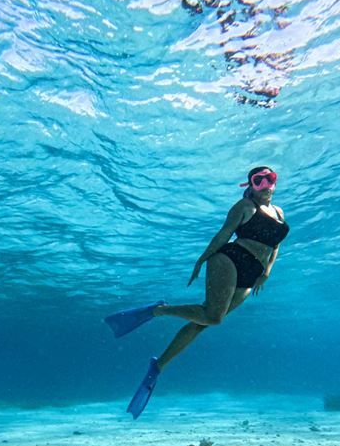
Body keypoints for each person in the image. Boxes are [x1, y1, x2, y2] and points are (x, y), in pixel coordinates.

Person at [103, 166, 290, 418]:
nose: (266, 185)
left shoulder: (279, 212)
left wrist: (266, 271)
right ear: (250, 186)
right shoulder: (244, 208)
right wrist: (202, 259)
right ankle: (158, 311)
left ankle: (157, 367)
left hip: (252, 272)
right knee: (214, 316)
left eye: (271, 179)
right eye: (259, 181)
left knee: (203, 321)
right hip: (231, 259)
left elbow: (275, 246)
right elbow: (224, 234)